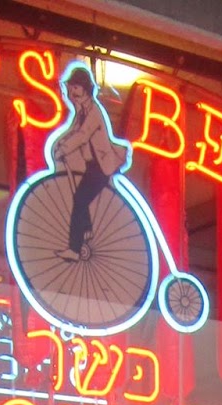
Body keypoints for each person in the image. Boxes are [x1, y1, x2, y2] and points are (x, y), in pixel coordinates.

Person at [51, 67, 129, 262]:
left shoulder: (94, 111)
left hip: (102, 167)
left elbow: (83, 135)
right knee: (80, 197)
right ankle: (86, 230)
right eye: (71, 88)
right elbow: (74, 129)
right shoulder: (82, 110)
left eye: (76, 87)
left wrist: (64, 149)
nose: (72, 92)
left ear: (85, 88)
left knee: (79, 199)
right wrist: (60, 142)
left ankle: (75, 249)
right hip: (92, 166)